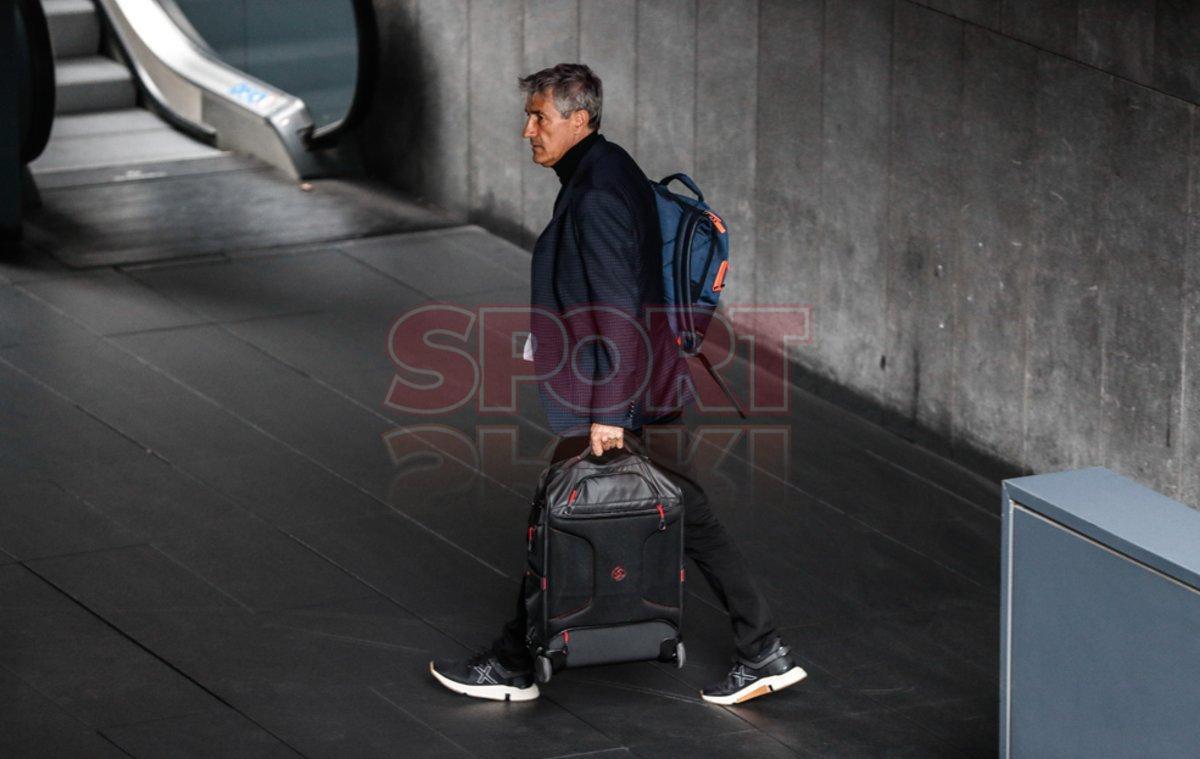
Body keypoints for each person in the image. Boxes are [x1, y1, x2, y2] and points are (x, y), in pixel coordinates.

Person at [429, 63, 806, 705]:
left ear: (579, 119)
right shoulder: (604, 167)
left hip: (621, 390)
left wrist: (611, 412)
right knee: (691, 510)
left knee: (556, 509)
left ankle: (515, 664)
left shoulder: (598, 192)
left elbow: (621, 305)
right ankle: (762, 647)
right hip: (644, 381)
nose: (528, 131)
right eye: (529, 116)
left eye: (540, 117)